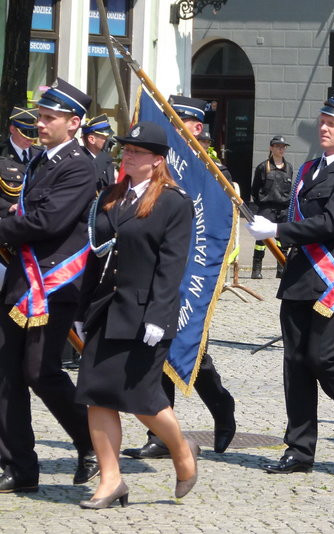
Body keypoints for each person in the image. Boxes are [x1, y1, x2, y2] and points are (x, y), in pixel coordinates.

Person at [246, 90, 334, 474]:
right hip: (301, 277)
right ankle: (300, 450)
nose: (324, 127)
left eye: (333, 123)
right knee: (296, 364)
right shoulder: (308, 168)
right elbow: (297, 212)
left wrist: (279, 228)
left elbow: (332, 223)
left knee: (323, 358)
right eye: (322, 121)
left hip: (330, 282)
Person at [74, 121, 199, 508]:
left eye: (137, 152)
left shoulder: (173, 202)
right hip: (107, 309)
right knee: (97, 394)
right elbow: (96, 256)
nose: (128, 155)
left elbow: (171, 265)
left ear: (157, 161)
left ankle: (181, 449)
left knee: (143, 397)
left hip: (145, 314)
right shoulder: (112, 195)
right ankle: (111, 481)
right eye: (126, 149)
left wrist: (158, 317)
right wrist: (83, 308)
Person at [121, 96, 236, 459]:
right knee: (155, 348)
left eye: (179, 123)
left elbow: (218, 226)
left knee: (188, 348)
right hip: (155, 268)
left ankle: (221, 407)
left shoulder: (215, 174)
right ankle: (159, 435)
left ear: (197, 128)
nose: (171, 129)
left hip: (192, 270)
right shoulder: (159, 167)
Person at [0, 78, 98, 493]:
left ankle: (92, 444)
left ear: (73, 123)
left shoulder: (79, 165)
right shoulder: (40, 161)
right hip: (22, 279)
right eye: (40, 117)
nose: (40, 124)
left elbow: (49, 222)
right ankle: (19, 466)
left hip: (54, 284)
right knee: (5, 373)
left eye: (48, 118)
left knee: (42, 372)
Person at [250, 135, 294, 279]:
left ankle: (282, 269)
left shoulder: (289, 168)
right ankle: (256, 269)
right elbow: (255, 189)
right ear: (271, 148)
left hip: (283, 208)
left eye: (283, 147)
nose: (281, 149)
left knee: (283, 240)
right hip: (266, 207)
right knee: (262, 241)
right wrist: (261, 204)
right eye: (278, 146)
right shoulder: (263, 167)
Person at [0, 107, 43, 217]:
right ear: (12, 129)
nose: (30, 139)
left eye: (33, 134)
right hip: (8, 217)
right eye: (25, 133)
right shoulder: (2, 153)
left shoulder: (41, 154)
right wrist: (7, 206)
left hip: (36, 216)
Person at [81, 114, 116, 191]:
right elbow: (87, 181)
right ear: (91, 139)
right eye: (105, 137)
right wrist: (104, 156)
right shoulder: (79, 159)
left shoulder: (107, 163)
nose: (109, 140)